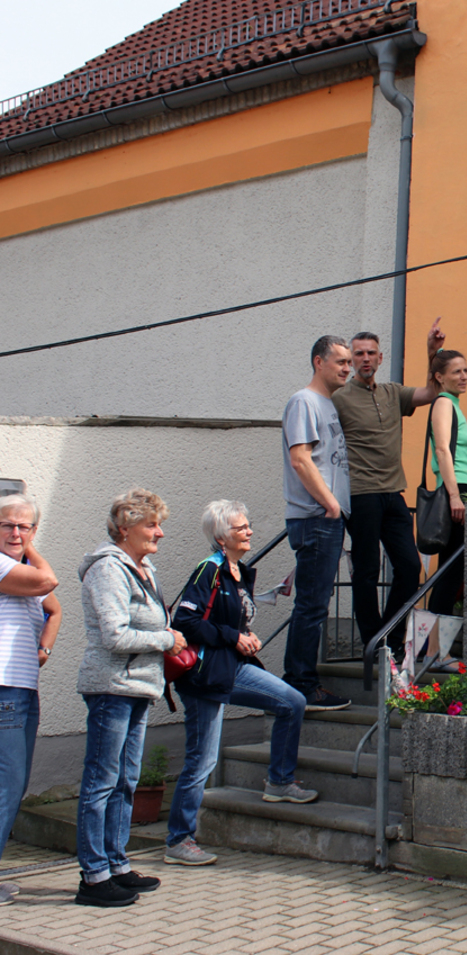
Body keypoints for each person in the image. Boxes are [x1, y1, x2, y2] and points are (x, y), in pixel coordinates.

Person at [165, 501, 317, 867]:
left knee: (292, 702)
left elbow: (232, 620)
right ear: (221, 538)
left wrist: (245, 636)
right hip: (205, 675)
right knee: (202, 760)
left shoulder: (237, 571)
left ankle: (279, 782)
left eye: (248, 526)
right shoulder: (209, 570)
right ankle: (179, 840)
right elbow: (185, 622)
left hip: (231, 666)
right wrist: (234, 637)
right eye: (240, 528)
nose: (249, 532)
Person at [75, 488, 187, 907]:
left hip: (138, 685)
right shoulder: (109, 568)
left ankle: (117, 865)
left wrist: (164, 636)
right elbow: (115, 635)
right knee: (101, 782)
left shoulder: (143, 567)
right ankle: (94, 877)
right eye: (151, 525)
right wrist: (167, 640)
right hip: (111, 687)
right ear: (125, 528)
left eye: (159, 524)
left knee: (126, 780)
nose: (160, 533)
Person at [332, 322, 444, 657]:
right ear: (351, 360)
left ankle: (390, 638)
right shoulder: (339, 398)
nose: (365, 359)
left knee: (410, 567)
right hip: (360, 494)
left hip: (394, 493)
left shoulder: (393, 393)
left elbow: (431, 393)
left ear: (380, 358)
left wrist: (432, 352)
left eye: (371, 353)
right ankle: (373, 643)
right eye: (359, 354)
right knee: (366, 571)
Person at [282, 335, 353, 711]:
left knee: (315, 605)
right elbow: (300, 459)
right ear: (318, 362)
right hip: (316, 518)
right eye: (340, 361)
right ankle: (301, 686)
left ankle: (302, 683)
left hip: (325, 518)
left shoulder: (327, 404)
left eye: (349, 363)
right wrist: (330, 503)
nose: (347, 368)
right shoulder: (304, 402)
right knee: (311, 606)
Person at [0, 494, 60, 908]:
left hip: (22, 689)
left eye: (25, 526)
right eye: (8, 524)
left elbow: (54, 610)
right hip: (5, 690)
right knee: (6, 787)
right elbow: (48, 583)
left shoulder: (20, 569)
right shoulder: (8, 567)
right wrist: (31, 547)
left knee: (14, 785)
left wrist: (44, 648)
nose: (16, 532)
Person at [424, 352, 467, 663]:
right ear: (440, 377)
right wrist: (455, 496)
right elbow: (442, 450)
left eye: (466, 370)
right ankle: (435, 652)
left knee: (452, 572)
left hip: (463, 488)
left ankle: (434, 651)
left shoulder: (454, 404)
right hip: (455, 490)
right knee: (450, 572)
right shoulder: (444, 403)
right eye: (456, 371)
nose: (464, 376)